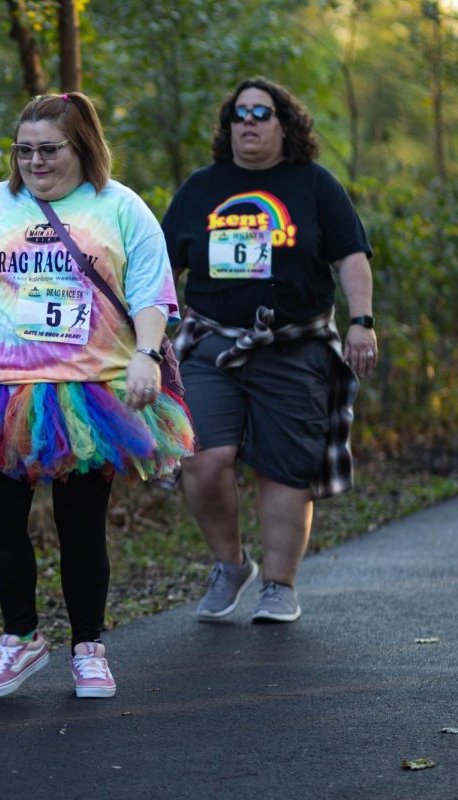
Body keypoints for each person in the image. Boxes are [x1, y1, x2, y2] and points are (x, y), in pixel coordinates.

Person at [0, 93, 194, 700]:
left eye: (48, 149)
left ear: (81, 146)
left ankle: (89, 648)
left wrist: (146, 355)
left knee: (80, 527)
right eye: (24, 149)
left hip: (88, 394)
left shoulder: (121, 208)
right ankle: (21, 638)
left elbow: (151, 293)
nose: (35, 161)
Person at [161, 77, 377, 624]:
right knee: (203, 461)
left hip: (294, 344)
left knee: (284, 469)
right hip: (212, 343)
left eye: (262, 112)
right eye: (239, 114)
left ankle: (280, 585)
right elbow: (162, 269)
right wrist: (151, 334)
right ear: (228, 126)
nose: (249, 122)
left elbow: (351, 254)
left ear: (286, 125)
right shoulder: (200, 189)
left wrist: (362, 321)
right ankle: (230, 565)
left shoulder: (314, 185)